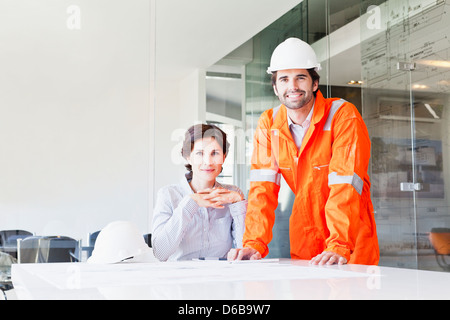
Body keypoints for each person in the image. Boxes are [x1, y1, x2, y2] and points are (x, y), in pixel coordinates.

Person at [228, 38, 379, 265]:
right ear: (276, 87)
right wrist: (253, 243)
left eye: (300, 77)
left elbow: (345, 185)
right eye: (285, 79)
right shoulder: (269, 123)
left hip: (349, 236)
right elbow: (263, 189)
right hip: (305, 231)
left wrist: (339, 245)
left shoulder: (343, 116)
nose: (293, 86)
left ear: (314, 83)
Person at [152, 123, 247, 261]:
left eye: (215, 153)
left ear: (224, 157)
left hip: (221, 278)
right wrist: (191, 203)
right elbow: (160, 253)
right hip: (180, 279)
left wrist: (238, 204)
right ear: (188, 157)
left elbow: (245, 251)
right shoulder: (168, 195)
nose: (208, 162)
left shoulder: (233, 194)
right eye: (199, 153)